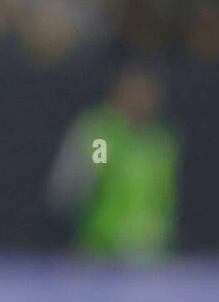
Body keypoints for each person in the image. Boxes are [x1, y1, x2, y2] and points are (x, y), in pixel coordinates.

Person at [46, 64, 180, 258]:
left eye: (148, 92)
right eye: (135, 91)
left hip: (151, 255)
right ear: (119, 92)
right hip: (101, 253)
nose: (142, 99)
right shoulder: (100, 134)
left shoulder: (162, 139)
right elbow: (69, 190)